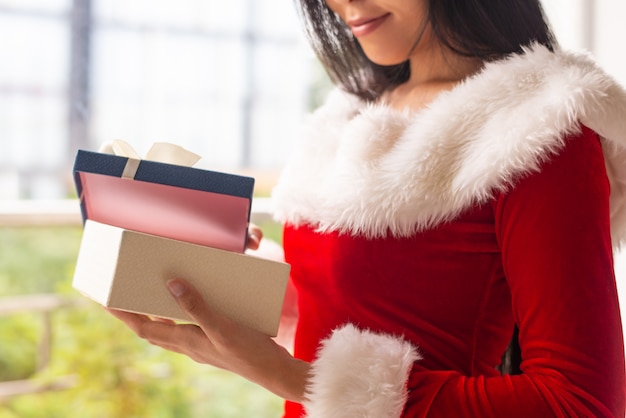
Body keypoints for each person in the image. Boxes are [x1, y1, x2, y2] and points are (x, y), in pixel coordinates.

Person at [108, 0, 626, 416]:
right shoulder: (352, 110)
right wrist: (222, 274)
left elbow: (582, 403)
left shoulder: (540, 122)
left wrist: (292, 378)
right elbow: (352, 306)